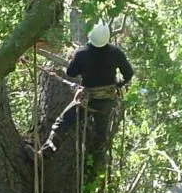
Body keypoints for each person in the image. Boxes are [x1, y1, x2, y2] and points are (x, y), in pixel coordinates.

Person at [41, 22, 133, 152]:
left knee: (63, 122)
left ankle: (46, 153)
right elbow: (128, 74)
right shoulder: (116, 53)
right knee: (101, 133)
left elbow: (70, 72)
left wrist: (77, 60)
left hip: (86, 101)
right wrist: (118, 84)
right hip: (106, 101)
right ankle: (95, 160)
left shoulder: (82, 53)